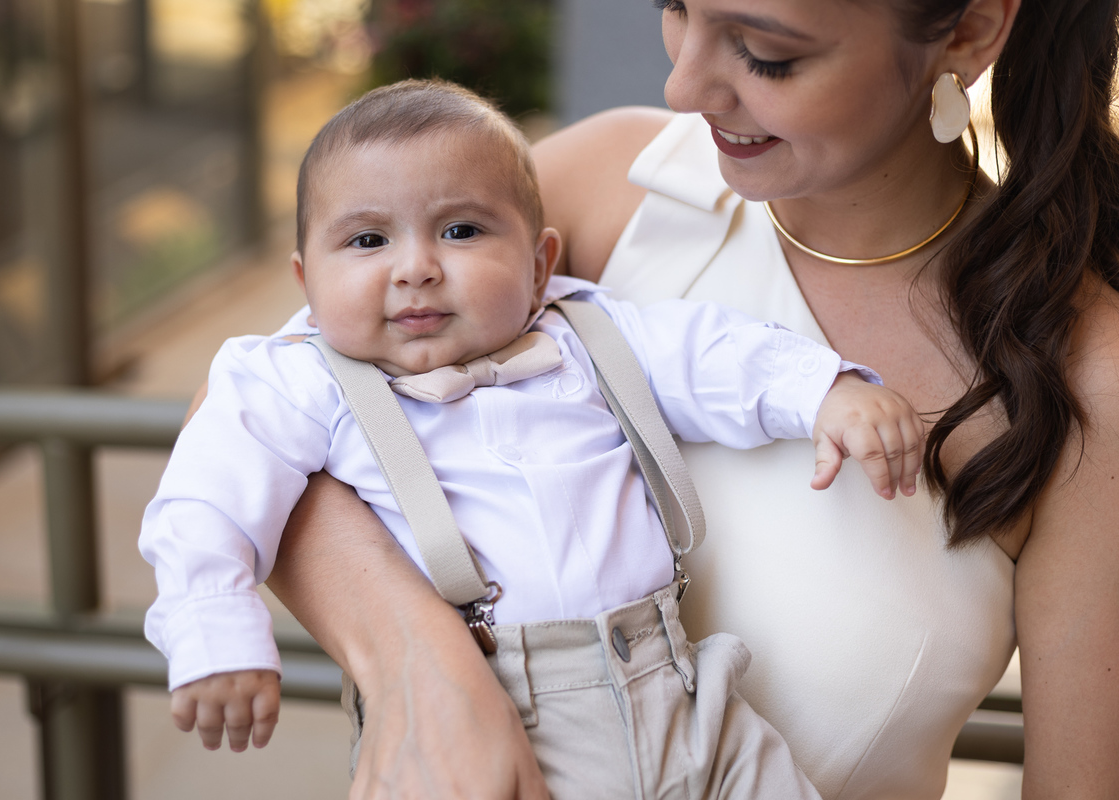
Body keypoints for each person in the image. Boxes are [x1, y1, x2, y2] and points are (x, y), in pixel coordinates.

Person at [252, 1, 1119, 798]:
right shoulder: (607, 186)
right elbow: (249, 412)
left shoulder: (1083, 372)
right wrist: (417, 663)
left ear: (968, 29)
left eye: (765, 53)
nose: (681, 85)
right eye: (675, 5)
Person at [142, 79, 925, 799]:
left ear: (540, 259)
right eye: (367, 242)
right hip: (500, 712)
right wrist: (214, 626)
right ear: (306, 280)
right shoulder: (298, 380)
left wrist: (824, 391)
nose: (415, 268)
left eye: (459, 229)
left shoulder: (587, 329)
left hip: (684, 691)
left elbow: (714, 352)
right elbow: (207, 494)